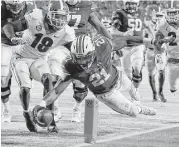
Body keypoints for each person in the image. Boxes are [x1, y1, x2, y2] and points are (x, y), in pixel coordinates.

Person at [33, 34, 156, 131]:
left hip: (118, 77)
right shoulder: (70, 66)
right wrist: (42, 103)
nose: (82, 62)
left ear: (93, 51)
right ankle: (140, 109)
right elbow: (57, 90)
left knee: (136, 94)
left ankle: (136, 99)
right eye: (78, 58)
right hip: (106, 93)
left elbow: (126, 40)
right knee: (133, 112)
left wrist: (148, 41)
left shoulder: (102, 46)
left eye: (85, 57)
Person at [6, 0, 75, 132]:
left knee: (48, 79)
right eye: (57, 16)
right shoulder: (36, 17)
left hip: (38, 58)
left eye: (63, 17)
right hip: (21, 57)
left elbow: (74, 50)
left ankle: (51, 118)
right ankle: (26, 114)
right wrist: (12, 37)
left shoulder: (66, 32)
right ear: (49, 14)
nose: (60, 20)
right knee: (25, 87)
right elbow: (8, 26)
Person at [48, 0, 112, 122]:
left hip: (80, 48)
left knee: (80, 82)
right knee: (54, 75)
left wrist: (110, 41)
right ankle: (55, 110)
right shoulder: (58, 4)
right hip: (61, 46)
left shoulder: (86, 5)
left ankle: (77, 108)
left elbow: (98, 26)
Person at [1, 0, 34, 122]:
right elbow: (5, 25)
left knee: (28, 78)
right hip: (5, 43)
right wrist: (12, 37)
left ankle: (29, 109)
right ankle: (6, 109)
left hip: (23, 44)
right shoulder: (2, 8)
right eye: (12, 6)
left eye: (18, 5)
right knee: (3, 77)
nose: (15, 8)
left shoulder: (30, 6)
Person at [110, 0, 151, 92]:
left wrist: (153, 35)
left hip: (138, 45)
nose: (131, 6)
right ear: (125, 3)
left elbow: (146, 25)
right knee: (128, 74)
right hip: (125, 47)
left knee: (137, 68)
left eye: (133, 3)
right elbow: (113, 31)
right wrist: (124, 34)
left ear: (137, 4)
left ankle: (136, 92)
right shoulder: (119, 13)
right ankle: (133, 91)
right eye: (129, 3)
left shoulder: (141, 12)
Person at [154, 6, 179, 96]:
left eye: (174, 13)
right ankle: (172, 89)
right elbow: (157, 43)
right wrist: (161, 41)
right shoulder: (162, 26)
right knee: (172, 88)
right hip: (173, 61)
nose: (172, 16)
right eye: (170, 13)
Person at [144, 7, 167, 102]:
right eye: (156, 15)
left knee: (161, 71)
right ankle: (154, 93)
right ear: (152, 15)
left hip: (160, 51)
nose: (158, 17)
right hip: (150, 51)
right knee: (151, 74)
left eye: (160, 16)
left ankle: (160, 91)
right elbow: (143, 38)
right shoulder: (147, 24)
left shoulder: (166, 25)